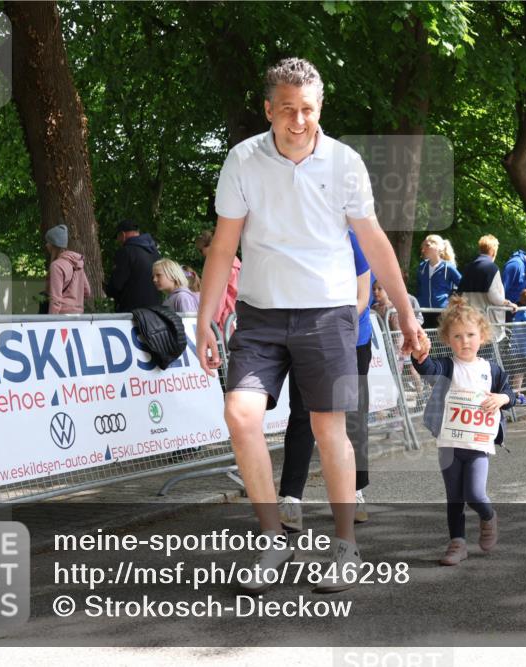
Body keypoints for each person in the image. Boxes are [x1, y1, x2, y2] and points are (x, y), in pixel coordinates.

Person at [195, 57, 428, 594]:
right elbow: (224, 245)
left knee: (329, 429)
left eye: (308, 110)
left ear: (320, 107)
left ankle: (345, 545)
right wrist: (206, 320)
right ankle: (273, 538)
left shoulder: (345, 162)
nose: (299, 121)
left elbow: (373, 243)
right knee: (240, 414)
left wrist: (406, 314)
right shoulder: (242, 160)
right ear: (268, 110)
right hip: (258, 314)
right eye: (287, 111)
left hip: (329, 315)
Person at [279, 230, 374, 531]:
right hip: (307, 335)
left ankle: (354, 492)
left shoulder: (350, 237)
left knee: (352, 416)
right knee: (302, 413)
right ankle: (290, 498)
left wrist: (334, 330)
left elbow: (363, 294)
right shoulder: (292, 234)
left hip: (352, 337)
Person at [410, 297, 514, 565]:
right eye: (457, 336)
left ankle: (488, 515)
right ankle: (457, 543)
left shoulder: (491, 370)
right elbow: (427, 369)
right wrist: (419, 356)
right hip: (449, 444)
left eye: (470, 335)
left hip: (478, 445)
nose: (465, 341)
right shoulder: (446, 366)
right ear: (447, 339)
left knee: (475, 494)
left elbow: (509, 393)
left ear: (482, 336)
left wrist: (502, 399)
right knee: (454, 497)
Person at [457, 234, 516, 338]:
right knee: (489, 353)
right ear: (493, 251)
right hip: (488, 324)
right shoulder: (492, 268)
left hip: (470, 321)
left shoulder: (468, 267)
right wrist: (508, 303)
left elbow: (460, 294)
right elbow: (494, 296)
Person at [105, 220, 161, 312]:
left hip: (132, 313)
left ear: (122, 235)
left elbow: (116, 285)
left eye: (118, 237)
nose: (118, 241)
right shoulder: (155, 253)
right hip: (155, 311)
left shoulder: (126, 252)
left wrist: (108, 289)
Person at [196, 229, 240, 330]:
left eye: (201, 249)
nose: (202, 253)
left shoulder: (219, 265)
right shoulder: (235, 261)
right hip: (239, 315)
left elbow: (218, 296)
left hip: (226, 318)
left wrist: (211, 322)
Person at [44, 224, 91, 315]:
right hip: (79, 315)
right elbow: (87, 292)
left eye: (48, 242)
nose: (46, 245)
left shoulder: (56, 266)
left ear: (54, 245)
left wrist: (50, 320)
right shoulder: (77, 263)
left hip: (63, 316)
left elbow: (55, 299)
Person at [415, 234, 461, 327]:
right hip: (423, 311)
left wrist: (453, 302)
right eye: (424, 245)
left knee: (441, 340)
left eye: (427, 245)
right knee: (426, 340)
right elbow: (419, 288)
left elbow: (463, 285)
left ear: (438, 248)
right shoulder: (422, 267)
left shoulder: (448, 267)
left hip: (441, 312)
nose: (424, 248)